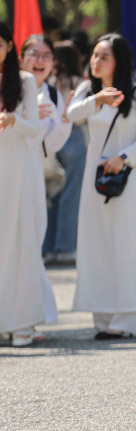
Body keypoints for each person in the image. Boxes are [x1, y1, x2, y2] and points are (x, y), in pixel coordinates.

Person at [67, 34, 136, 339]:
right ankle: (102, 315)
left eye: (104, 56)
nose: (96, 61)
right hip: (94, 180)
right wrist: (97, 100)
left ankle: (126, 318)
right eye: (94, 55)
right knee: (96, 243)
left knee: (125, 243)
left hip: (127, 179)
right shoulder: (87, 91)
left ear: (119, 61)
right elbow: (71, 115)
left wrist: (124, 157)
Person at [20, 34, 73, 338]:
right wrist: (23, 116)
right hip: (6, 172)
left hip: (33, 175)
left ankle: (27, 316)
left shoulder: (52, 93)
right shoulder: (8, 87)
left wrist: (62, 120)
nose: (39, 61)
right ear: (21, 58)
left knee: (30, 243)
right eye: (33, 54)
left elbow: (52, 144)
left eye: (46, 56)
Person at [0, 22, 47, 347]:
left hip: (17, 168)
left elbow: (34, 128)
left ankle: (22, 323)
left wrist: (14, 118)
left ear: (8, 46)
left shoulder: (25, 81)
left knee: (20, 243)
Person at [44, 41, 87, 265]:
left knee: (51, 193)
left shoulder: (47, 82)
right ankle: (66, 246)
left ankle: (47, 247)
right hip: (75, 137)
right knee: (72, 195)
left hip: (51, 138)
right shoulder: (80, 83)